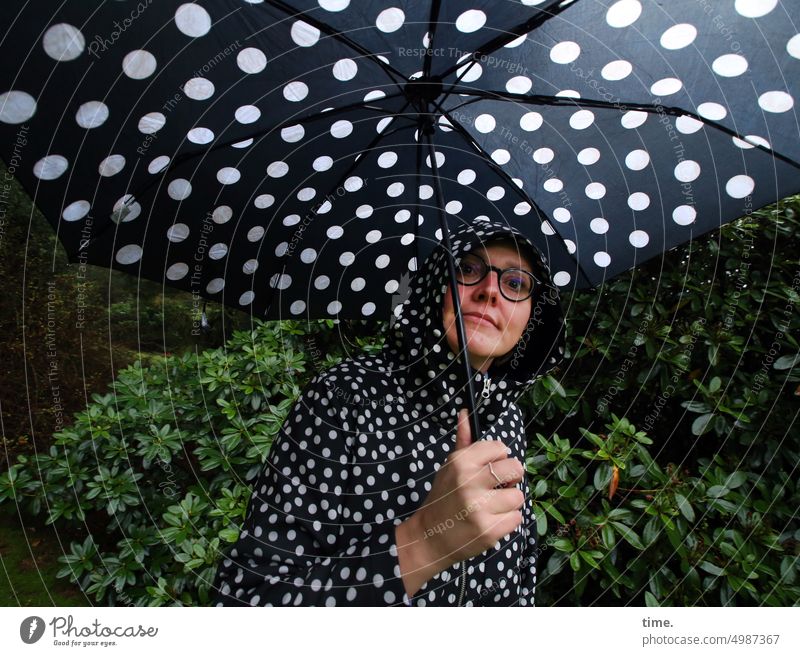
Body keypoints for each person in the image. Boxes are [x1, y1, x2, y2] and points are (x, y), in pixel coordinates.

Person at [212, 218, 566, 606]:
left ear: (533, 315)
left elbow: (522, 570)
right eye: (467, 269)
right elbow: (242, 600)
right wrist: (424, 542)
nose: (489, 292)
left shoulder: (507, 417)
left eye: (515, 283)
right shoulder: (344, 397)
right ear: (436, 284)